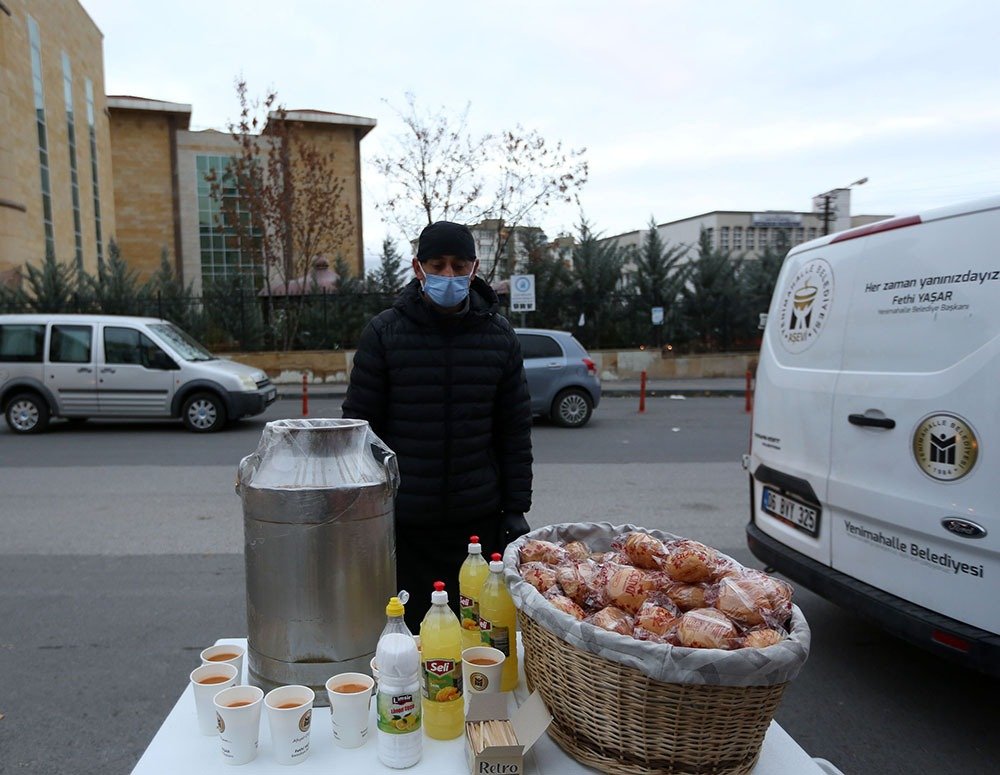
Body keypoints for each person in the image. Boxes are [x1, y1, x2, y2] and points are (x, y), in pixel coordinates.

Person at [343, 221, 533, 629]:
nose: (449, 275)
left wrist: (516, 506)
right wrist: (363, 509)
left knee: (476, 632)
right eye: (438, 265)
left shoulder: (498, 336)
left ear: (474, 268)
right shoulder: (385, 333)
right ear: (418, 268)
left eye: (458, 265)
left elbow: (513, 429)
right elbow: (360, 431)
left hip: (477, 526)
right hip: (405, 524)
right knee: (410, 632)